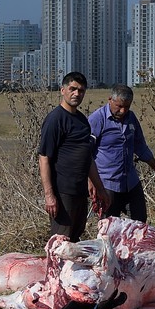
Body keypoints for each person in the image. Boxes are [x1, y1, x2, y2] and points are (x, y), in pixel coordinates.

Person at [38, 72, 110, 242]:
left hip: (79, 191)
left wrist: (100, 188)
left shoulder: (82, 121)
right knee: (61, 242)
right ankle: (57, 269)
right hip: (63, 192)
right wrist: (49, 195)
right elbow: (44, 158)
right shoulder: (55, 119)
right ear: (62, 90)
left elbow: (88, 158)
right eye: (73, 89)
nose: (77, 94)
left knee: (76, 237)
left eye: (81, 90)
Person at [87, 84, 155, 222]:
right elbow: (86, 152)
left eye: (127, 106)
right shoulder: (97, 119)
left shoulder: (131, 118)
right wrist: (91, 181)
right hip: (107, 183)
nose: (123, 110)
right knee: (109, 227)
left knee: (140, 223)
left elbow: (140, 146)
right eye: (119, 106)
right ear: (110, 100)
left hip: (130, 181)